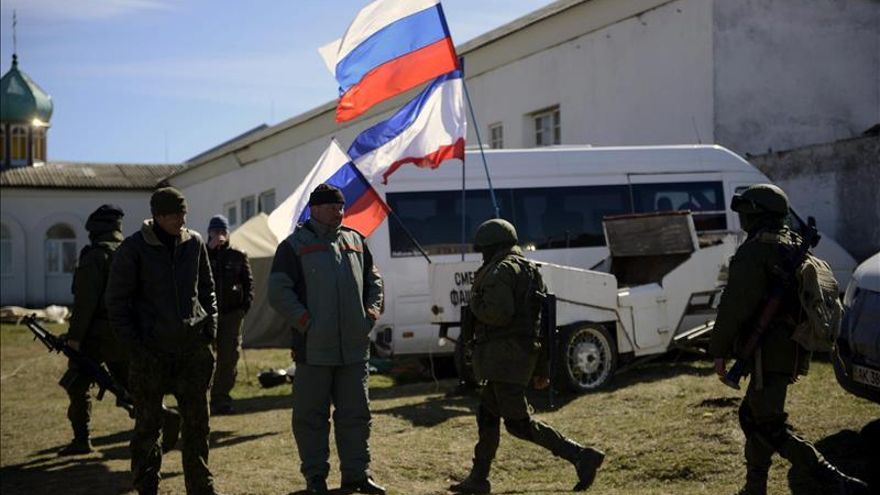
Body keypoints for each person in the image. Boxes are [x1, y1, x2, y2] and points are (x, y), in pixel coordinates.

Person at [710, 184, 867, 495]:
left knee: (768, 425)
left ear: (756, 213)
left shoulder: (757, 250)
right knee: (752, 416)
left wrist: (719, 350)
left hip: (766, 351)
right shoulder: (792, 243)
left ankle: (835, 480)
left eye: (745, 211)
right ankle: (754, 487)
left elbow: (735, 304)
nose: (741, 217)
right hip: (784, 348)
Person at [450, 218, 605, 495]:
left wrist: (474, 304)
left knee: (518, 423)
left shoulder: (501, 270)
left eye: (483, 248)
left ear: (493, 246)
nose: (481, 253)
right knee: (487, 415)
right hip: (515, 355)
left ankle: (581, 456)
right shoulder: (527, 268)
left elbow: (498, 313)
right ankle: (478, 477)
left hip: (504, 357)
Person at [268, 184, 385, 495]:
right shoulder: (293, 246)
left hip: (354, 351)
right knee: (311, 418)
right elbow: (278, 293)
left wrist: (369, 316)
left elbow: (374, 282)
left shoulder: (356, 240)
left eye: (341, 206)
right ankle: (316, 479)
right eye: (333, 206)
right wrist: (307, 322)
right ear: (315, 209)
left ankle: (357, 476)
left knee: (356, 416)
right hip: (314, 351)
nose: (340, 211)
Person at [106, 186, 222, 495]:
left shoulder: (194, 243)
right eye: (173, 215)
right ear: (157, 216)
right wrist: (135, 345)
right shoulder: (133, 249)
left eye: (183, 213)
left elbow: (208, 289)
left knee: (198, 425)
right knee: (148, 426)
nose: (180, 220)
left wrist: (209, 327)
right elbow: (117, 302)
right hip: (150, 353)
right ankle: (147, 486)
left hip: (192, 349)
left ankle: (201, 486)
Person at [58, 204, 129, 455]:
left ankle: (81, 439)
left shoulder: (96, 256)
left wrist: (74, 338)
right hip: (127, 334)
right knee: (131, 388)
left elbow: (85, 302)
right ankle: (155, 429)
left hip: (97, 336)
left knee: (76, 383)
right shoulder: (130, 252)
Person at [206, 214, 253, 415]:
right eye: (216, 231)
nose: (220, 235)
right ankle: (198, 399)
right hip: (207, 316)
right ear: (209, 233)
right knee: (204, 359)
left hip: (232, 315)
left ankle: (221, 399)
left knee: (228, 358)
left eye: (223, 231)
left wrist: (244, 307)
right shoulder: (202, 254)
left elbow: (248, 283)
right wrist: (210, 251)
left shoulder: (238, 255)